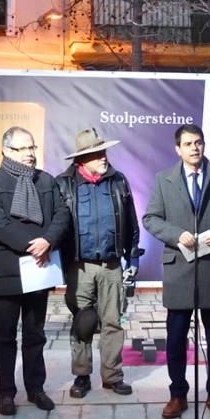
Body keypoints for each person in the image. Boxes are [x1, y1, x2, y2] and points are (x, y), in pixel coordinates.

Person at [143, 124, 210, 419]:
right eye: (188, 144)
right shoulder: (164, 179)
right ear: (178, 149)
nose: (194, 148)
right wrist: (176, 235)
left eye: (198, 142)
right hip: (179, 266)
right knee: (175, 336)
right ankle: (177, 394)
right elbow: (150, 218)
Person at [0, 127, 71, 415]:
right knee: (4, 335)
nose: (30, 154)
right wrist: (29, 244)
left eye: (32, 147)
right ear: (7, 150)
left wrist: (47, 241)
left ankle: (36, 388)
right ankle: (6, 393)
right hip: (8, 266)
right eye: (22, 149)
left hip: (40, 266)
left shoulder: (45, 180)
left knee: (35, 333)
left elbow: (61, 214)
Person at [55, 128, 141, 399]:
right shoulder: (63, 184)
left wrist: (134, 256)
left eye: (104, 152)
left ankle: (112, 376)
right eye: (96, 154)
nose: (103, 157)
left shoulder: (118, 181)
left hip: (112, 265)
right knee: (83, 323)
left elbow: (131, 221)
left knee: (113, 322)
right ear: (82, 159)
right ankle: (82, 376)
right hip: (79, 267)